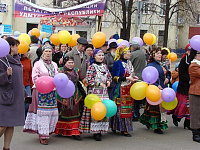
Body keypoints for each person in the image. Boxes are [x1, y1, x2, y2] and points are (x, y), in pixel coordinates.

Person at [23, 45, 59, 145]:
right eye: (46, 51)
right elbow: (34, 77)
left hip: (52, 92)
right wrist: (44, 84)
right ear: (42, 52)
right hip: (41, 92)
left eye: (50, 51)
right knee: (43, 113)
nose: (48, 53)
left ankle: (47, 131)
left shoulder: (54, 64)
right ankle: (42, 135)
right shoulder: (38, 64)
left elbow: (57, 76)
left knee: (51, 112)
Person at [0, 37, 28, 150]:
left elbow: (18, 80)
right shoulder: (1, 60)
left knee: (11, 124)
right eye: (17, 46)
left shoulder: (17, 60)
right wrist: (5, 75)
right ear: (11, 47)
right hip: (5, 97)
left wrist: (25, 93)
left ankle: (6, 147)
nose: (18, 48)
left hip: (16, 96)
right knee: (2, 125)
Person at [79, 49, 112, 141]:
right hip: (94, 93)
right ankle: (96, 132)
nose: (101, 57)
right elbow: (88, 80)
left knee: (104, 110)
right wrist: (98, 83)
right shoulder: (92, 67)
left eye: (102, 55)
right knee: (96, 111)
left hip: (104, 93)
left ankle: (101, 129)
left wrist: (109, 81)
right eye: (99, 55)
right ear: (94, 56)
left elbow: (109, 76)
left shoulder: (105, 66)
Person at [139, 47, 170, 134]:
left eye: (160, 53)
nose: (160, 55)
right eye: (157, 53)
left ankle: (149, 122)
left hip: (163, 88)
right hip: (154, 90)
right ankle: (156, 126)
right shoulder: (151, 65)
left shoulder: (162, 64)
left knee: (159, 108)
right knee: (155, 108)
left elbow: (167, 73)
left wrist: (168, 78)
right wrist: (157, 85)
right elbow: (148, 78)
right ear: (153, 55)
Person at [110, 45, 138, 137]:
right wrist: (127, 78)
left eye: (129, 51)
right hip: (121, 89)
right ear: (122, 53)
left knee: (129, 109)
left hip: (130, 88)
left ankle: (125, 128)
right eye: (127, 52)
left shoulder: (129, 62)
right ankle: (120, 128)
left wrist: (133, 77)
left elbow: (131, 73)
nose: (129, 53)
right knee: (120, 109)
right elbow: (115, 77)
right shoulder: (118, 63)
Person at [55, 56, 85, 140]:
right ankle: (61, 130)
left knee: (75, 113)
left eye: (72, 62)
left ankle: (74, 132)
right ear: (65, 63)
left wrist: (89, 82)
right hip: (63, 95)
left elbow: (83, 79)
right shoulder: (60, 70)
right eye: (69, 62)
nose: (71, 64)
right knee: (63, 113)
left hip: (75, 95)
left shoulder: (77, 71)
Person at [172, 45, 192, 129]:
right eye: (189, 51)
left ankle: (187, 123)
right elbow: (182, 74)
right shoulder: (184, 61)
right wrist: (191, 78)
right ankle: (176, 117)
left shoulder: (195, 61)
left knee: (190, 106)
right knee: (182, 105)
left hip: (192, 87)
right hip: (183, 87)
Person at [130, 40, 146, 121]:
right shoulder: (142, 53)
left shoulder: (133, 54)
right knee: (138, 98)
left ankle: (135, 114)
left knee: (134, 96)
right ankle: (137, 113)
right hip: (141, 76)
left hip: (135, 76)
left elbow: (129, 64)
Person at [188, 49, 200, 143]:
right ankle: (195, 133)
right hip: (195, 92)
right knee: (195, 113)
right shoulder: (194, 66)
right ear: (195, 55)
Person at [20, 50, 33, 118]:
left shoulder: (29, 60)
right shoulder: (17, 61)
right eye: (27, 51)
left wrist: (31, 84)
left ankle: (25, 117)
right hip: (19, 84)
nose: (28, 53)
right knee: (20, 101)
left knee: (28, 101)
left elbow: (30, 73)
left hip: (27, 84)